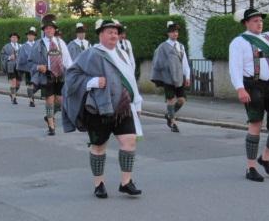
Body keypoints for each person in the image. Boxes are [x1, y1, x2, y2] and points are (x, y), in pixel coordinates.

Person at [63, 19, 143, 198]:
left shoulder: (122, 53)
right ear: (100, 35)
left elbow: (130, 79)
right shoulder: (91, 54)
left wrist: (137, 102)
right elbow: (71, 76)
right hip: (99, 108)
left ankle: (126, 182)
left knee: (129, 141)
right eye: (109, 32)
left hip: (123, 107)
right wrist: (92, 82)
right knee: (99, 147)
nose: (114, 35)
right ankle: (99, 184)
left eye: (115, 32)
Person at [228, 8, 269, 182]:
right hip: (252, 86)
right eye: (255, 20)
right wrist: (239, 88)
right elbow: (234, 67)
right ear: (246, 23)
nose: (259, 23)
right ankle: (251, 167)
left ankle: (266, 157)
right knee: (256, 124)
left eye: (261, 20)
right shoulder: (239, 42)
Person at [28, 14, 73, 136]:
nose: (49, 30)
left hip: (60, 75)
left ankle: (49, 115)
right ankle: (51, 125)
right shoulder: (38, 44)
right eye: (47, 28)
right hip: (46, 75)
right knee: (50, 100)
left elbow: (68, 60)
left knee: (61, 101)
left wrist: (72, 73)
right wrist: (38, 67)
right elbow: (30, 63)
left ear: (54, 29)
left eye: (52, 28)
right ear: (44, 30)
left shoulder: (60, 42)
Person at [150, 21, 190, 133]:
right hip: (168, 78)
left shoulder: (181, 46)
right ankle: (173, 122)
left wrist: (187, 76)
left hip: (179, 77)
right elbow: (157, 62)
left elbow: (185, 62)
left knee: (182, 100)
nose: (175, 34)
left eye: (176, 31)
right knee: (171, 100)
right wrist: (165, 69)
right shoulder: (162, 47)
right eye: (172, 32)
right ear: (168, 33)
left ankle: (169, 114)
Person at [17, 27, 38, 107]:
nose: (31, 37)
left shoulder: (38, 44)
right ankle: (31, 100)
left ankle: (31, 96)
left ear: (34, 36)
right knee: (30, 84)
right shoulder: (23, 46)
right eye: (29, 35)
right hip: (28, 69)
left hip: (36, 68)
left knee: (36, 84)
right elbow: (21, 58)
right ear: (27, 36)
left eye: (32, 35)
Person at [0, 32, 22, 105]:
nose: (14, 38)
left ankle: (12, 93)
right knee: (13, 82)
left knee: (18, 83)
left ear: (17, 39)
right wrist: (9, 57)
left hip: (19, 67)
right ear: (10, 38)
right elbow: (2, 56)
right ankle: (14, 98)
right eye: (12, 37)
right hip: (10, 67)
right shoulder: (6, 47)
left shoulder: (20, 46)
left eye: (15, 37)